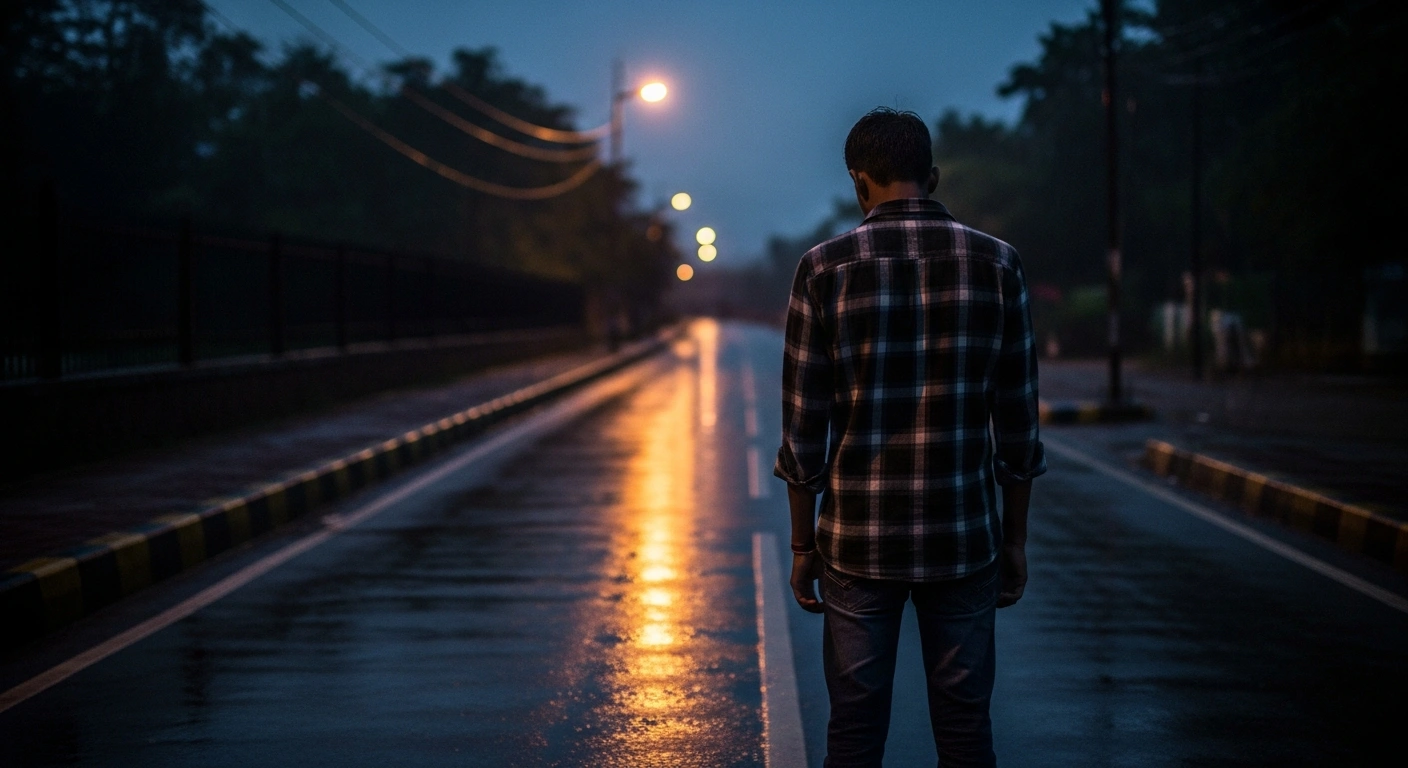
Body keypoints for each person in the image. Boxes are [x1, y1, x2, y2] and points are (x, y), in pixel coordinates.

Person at [773, 108, 1045, 768]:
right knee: (963, 723)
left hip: (859, 541)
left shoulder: (824, 269)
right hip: (964, 537)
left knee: (858, 726)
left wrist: (803, 544)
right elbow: (1017, 427)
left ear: (859, 183)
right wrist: (1014, 540)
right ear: (933, 176)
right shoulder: (997, 264)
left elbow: (803, 431)